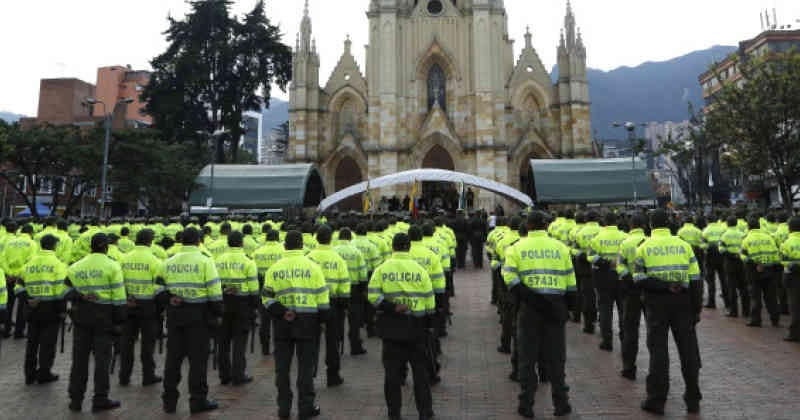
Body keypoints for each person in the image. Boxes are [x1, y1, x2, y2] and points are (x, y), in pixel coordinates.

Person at [502, 211, 575, 418]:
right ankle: (561, 404)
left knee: (527, 357)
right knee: (556, 359)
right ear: (546, 226)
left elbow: (509, 278)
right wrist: (566, 309)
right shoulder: (561, 248)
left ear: (529, 226)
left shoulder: (516, 247)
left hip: (529, 309)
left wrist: (530, 297)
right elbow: (571, 282)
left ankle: (526, 405)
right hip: (555, 307)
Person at [633, 210, 702, 415]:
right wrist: (696, 308)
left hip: (656, 304)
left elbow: (638, 279)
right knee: (689, 351)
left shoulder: (643, 248)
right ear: (670, 224)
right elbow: (696, 279)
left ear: (651, 225)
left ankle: (657, 400)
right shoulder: (684, 246)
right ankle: (693, 399)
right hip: (683, 302)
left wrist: (663, 286)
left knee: (658, 351)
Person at [368, 232, 436, 420]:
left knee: (392, 377)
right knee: (420, 375)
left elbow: (373, 296)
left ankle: (394, 414)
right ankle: (425, 412)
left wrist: (392, 307)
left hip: (391, 329)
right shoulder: (420, 270)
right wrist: (429, 326)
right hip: (416, 328)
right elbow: (430, 302)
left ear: (393, 247)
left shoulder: (382, 269)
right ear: (409, 247)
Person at [263, 231, 329, 420]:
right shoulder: (314, 268)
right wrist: (322, 322)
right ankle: (305, 407)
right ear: (302, 245)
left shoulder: (274, 269)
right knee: (306, 368)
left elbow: (266, 298)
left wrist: (282, 312)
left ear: (285, 246)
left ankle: (284, 409)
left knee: (282, 368)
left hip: (283, 322)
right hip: (308, 323)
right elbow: (323, 300)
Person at [160, 227, 223, 414]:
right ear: (198, 241)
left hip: (175, 315)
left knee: (173, 360)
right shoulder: (206, 261)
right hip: (199, 317)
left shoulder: (168, 262)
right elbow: (214, 292)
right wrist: (217, 314)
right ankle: (198, 401)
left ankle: (169, 402)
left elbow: (157, 288)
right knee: (198, 361)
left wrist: (169, 299)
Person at [65, 233, 127, 412]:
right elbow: (119, 299)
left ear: (91, 246)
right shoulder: (112, 266)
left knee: (79, 361)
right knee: (102, 361)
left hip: (81, 318)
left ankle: (76, 400)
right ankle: (100, 399)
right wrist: (119, 322)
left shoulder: (76, 267)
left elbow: (65, 292)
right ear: (106, 247)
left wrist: (81, 296)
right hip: (104, 319)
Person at [15, 234, 68, 385]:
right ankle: (44, 373)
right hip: (51, 309)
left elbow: (18, 287)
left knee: (32, 343)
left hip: (32, 309)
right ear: (54, 246)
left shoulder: (29, 264)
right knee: (47, 344)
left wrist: (28, 299)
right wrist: (62, 311)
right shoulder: (58, 265)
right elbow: (60, 292)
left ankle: (29, 375)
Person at [117, 229, 164, 387]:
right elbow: (159, 288)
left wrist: (127, 297)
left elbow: (119, 282)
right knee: (147, 343)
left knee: (126, 342)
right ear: (150, 242)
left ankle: (124, 376)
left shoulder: (124, 259)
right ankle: (148, 376)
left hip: (128, 303)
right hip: (147, 306)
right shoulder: (155, 261)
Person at [306, 225, 350, 387]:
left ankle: (309, 373)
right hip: (333, 303)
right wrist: (344, 304)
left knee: (311, 340)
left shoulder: (309, 257)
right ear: (331, 238)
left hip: (312, 304)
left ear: (316, 238)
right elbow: (345, 284)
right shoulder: (337, 258)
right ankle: (333, 375)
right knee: (333, 341)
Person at [215, 231, 259, 385]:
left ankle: (224, 374)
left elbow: (214, 283)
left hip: (222, 302)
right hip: (242, 304)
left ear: (228, 242)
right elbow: (254, 289)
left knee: (223, 341)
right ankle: (238, 374)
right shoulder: (248, 262)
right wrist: (255, 307)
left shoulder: (218, 260)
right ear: (241, 243)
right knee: (240, 341)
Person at [588, 212, 627, 351]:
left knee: (605, 308)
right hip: (622, 276)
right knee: (623, 308)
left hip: (603, 276)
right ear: (616, 222)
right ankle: (625, 338)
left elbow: (591, 257)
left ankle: (607, 340)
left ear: (604, 222)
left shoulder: (597, 238)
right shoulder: (625, 237)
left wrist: (606, 263)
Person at [616, 214, 648, 380]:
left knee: (630, 330)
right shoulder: (649, 241)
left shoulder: (625, 243)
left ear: (630, 225)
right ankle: (655, 368)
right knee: (653, 331)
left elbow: (620, 266)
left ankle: (629, 367)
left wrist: (629, 278)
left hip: (631, 291)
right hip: (649, 291)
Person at [333, 228, 369, 355]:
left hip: (337, 290)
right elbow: (363, 274)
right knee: (354, 320)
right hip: (354, 289)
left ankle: (337, 346)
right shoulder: (356, 252)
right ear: (350, 238)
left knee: (337, 320)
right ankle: (355, 346)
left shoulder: (333, 251)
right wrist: (362, 288)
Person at [741, 216, 782, 327]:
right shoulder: (769, 238)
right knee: (771, 297)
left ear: (749, 227)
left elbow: (743, 256)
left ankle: (756, 320)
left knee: (755, 297)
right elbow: (776, 255)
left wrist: (756, 263)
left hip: (753, 271)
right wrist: (768, 264)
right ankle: (775, 319)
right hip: (769, 270)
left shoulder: (746, 239)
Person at [252, 229, 285, 355]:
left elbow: (254, 272)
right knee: (278, 320)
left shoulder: (257, 252)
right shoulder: (283, 251)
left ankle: (265, 348)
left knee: (264, 321)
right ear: (277, 238)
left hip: (263, 288)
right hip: (280, 288)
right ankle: (278, 347)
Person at [720, 216, 748, 317]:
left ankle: (734, 311)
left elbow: (721, 250)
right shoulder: (743, 234)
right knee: (744, 287)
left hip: (730, 262)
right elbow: (746, 248)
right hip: (742, 262)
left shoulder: (724, 235)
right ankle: (746, 311)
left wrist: (732, 255)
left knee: (731, 288)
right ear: (736, 223)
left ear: (727, 224)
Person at [780, 216, 800, 342]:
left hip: (793, 277)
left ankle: (794, 333)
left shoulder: (786, 243)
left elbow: (783, 260)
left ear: (790, 228)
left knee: (795, 305)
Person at [702, 216, 728, 309]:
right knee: (724, 279)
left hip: (710, 256)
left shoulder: (705, 231)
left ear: (708, 221)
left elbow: (703, 246)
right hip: (721, 256)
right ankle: (728, 302)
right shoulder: (722, 229)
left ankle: (711, 302)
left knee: (711, 280)